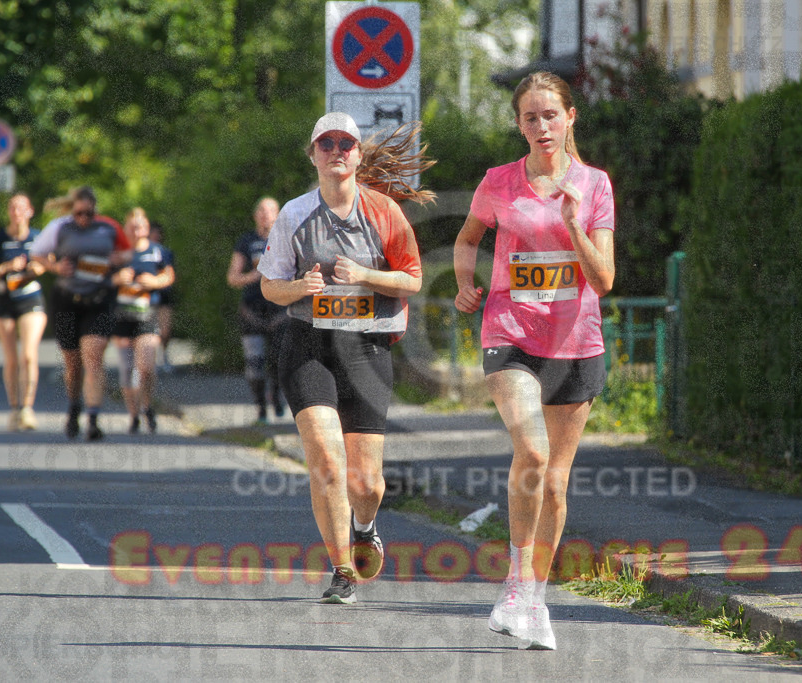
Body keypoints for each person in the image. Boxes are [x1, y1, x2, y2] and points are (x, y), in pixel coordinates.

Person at [454, 71, 615, 650]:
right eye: (530, 117)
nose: (542, 126)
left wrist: (574, 225)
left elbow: (605, 279)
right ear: (519, 124)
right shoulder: (498, 181)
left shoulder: (595, 186)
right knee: (533, 451)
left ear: (571, 118)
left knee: (555, 484)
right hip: (511, 334)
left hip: (575, 343)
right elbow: (469, 237)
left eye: (551, 115)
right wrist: (466, 284)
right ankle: (520, 583)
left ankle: (531, 594)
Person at [258, 112, 433, 604]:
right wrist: (301, 287)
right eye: (326, 143)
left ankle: (365, 526)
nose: (337, 151)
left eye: (346, 144)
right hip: (308, 345)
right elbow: (271, 287)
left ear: (357, 155)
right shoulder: (293, 214)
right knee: (327, 460)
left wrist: (365, 275)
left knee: (368, 483)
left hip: (366, 348)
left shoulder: (383, 212)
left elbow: (413, 278)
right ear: (312, 154)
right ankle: (341, 570)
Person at [31, 187, 132, 440]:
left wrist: (116, 262)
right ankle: (74, 406)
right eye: (79, 213)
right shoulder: (60, 228)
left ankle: (94, 419)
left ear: (96, 210)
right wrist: (55, 266)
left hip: (98, 299)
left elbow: (130, 252)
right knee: (73, 364)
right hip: (67, 300)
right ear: (71, 210)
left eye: (89, 213)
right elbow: (36, 253)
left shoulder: (109, 228)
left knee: (94, 355)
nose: (84, 219)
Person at [0, 193, 48, 431]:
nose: (16, 212)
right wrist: (8, 267)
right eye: (12, 207)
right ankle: (14, 408)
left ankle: (27, 409)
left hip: (29, 297)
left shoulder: (38, 237)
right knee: (11, 358)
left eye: (21, 208)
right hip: (3, 300)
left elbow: (47, 262)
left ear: (30, 211)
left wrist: (36, 269)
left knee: (29, 355)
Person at [111, 208, 175, 434]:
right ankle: (133, 415)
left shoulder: (158, 252)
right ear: (126, 229)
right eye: (132, 227)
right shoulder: (117, 254)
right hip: (122, 316)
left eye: (141, 227)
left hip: (147, 315)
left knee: (147, 368)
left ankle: (147, 406)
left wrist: (154, 282)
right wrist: (117, 279)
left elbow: (169, 276)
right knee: (128, 370)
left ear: (147, 229)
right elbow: (101, 280)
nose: (137, 231)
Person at [227, 197, 289, 423]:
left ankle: (278, 398)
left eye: (270, 210)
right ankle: (260, 407)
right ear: (255, 216)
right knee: (255, 364)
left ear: (278, 214)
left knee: (281, 361)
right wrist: (254, 276)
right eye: (261, 211)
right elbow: (232, 278)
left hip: (281, 310)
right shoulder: (247, 241)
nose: (265, 215)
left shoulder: (286, 239)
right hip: (252, 310)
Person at [148, 221, 177, 372]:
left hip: (164, 295)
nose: (156, 236)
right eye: (154, 232)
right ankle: (150, 361)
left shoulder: (165, 252)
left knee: (165, 330)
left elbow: (170, 274)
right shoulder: (141, 253)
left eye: (159, 233)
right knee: (150, 331)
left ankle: (163, 354)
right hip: (147, 296)